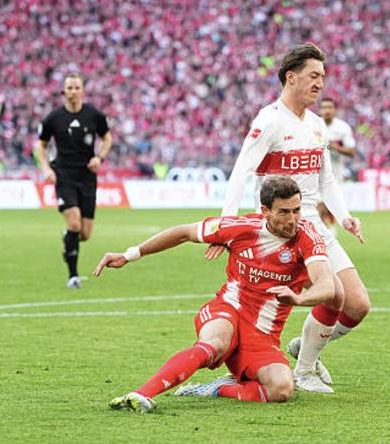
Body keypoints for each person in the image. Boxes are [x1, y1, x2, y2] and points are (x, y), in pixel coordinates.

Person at [206, 43, 370, 393]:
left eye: (322, 77)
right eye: (313, 76)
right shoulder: (269, 121)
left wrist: (344, 217)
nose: (320, 83)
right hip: (282, 230)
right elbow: (241, 173)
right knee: (333, 294)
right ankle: (305, 370)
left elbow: (326, 180)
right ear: (291, 77)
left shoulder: (317, 125)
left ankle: (305, 347)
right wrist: (226, 225)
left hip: (315, 225)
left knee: (358, 304)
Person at [93, 176, 335, 412]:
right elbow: (184, 232)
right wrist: (130, 254)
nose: (292, 220)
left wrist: (299, 299)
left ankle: (217, 388)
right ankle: (140, 395)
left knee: (281, 390)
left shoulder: (307, 236)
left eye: (296, 210)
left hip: (263, 335)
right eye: (284, 212)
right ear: (265, 211)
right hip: (229, 310)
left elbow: (327, 285)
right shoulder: (240, 228)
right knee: (215, 344)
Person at [34, 72, 113, 289]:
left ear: (82, 91)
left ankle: (68, 238)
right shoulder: (53, 118)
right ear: (63, 91)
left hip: (87, 177)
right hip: (64, 176)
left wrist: (100, 157)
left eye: (77, 87)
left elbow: (107, 137)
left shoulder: (94, 115)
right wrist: (46, 168)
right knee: (74, 223)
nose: (73, 92)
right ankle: (73, 276)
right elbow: (40, 145)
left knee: (84, 234)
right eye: (69, 88)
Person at [317, 97, 357, 227]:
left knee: (328, 209)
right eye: (324, 108)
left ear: (335, 110)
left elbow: (352, 152)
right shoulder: (314, 125)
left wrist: (334, 147)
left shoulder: (342, 128)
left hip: (335, 174)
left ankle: (328, 230)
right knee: (320, 208)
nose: (327, 110)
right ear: (320, 110)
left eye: (330, 107)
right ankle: (325, 234)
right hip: (315, 173)